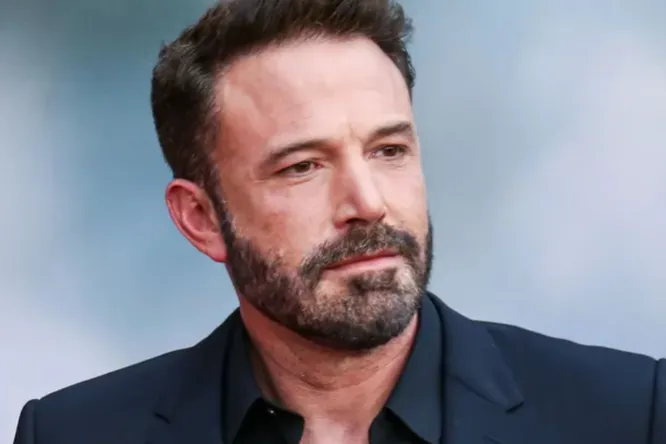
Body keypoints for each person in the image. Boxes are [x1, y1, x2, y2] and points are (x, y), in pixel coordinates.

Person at [13, 0, 665, 443]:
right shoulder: (74, 433)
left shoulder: (630, 415)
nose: (368, 202)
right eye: (302, 166)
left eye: (389, 150)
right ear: (201, 218)